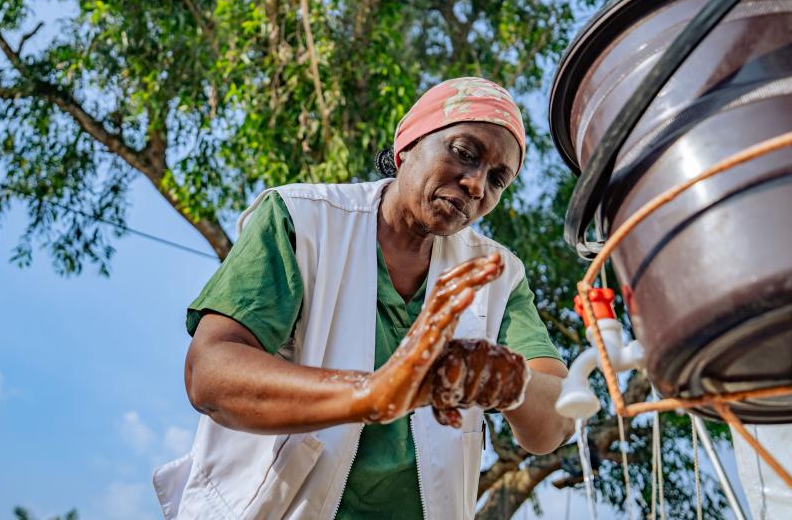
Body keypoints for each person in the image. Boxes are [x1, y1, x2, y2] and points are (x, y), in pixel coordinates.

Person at [153, 77, 574, 520]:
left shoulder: (497, 276)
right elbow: (210, 373)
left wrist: (505, 381)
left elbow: (555, 422)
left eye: (497, 179)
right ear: (407, 143)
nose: (476, 184)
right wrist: (372, 394)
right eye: (464, 153)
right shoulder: (302, 220)